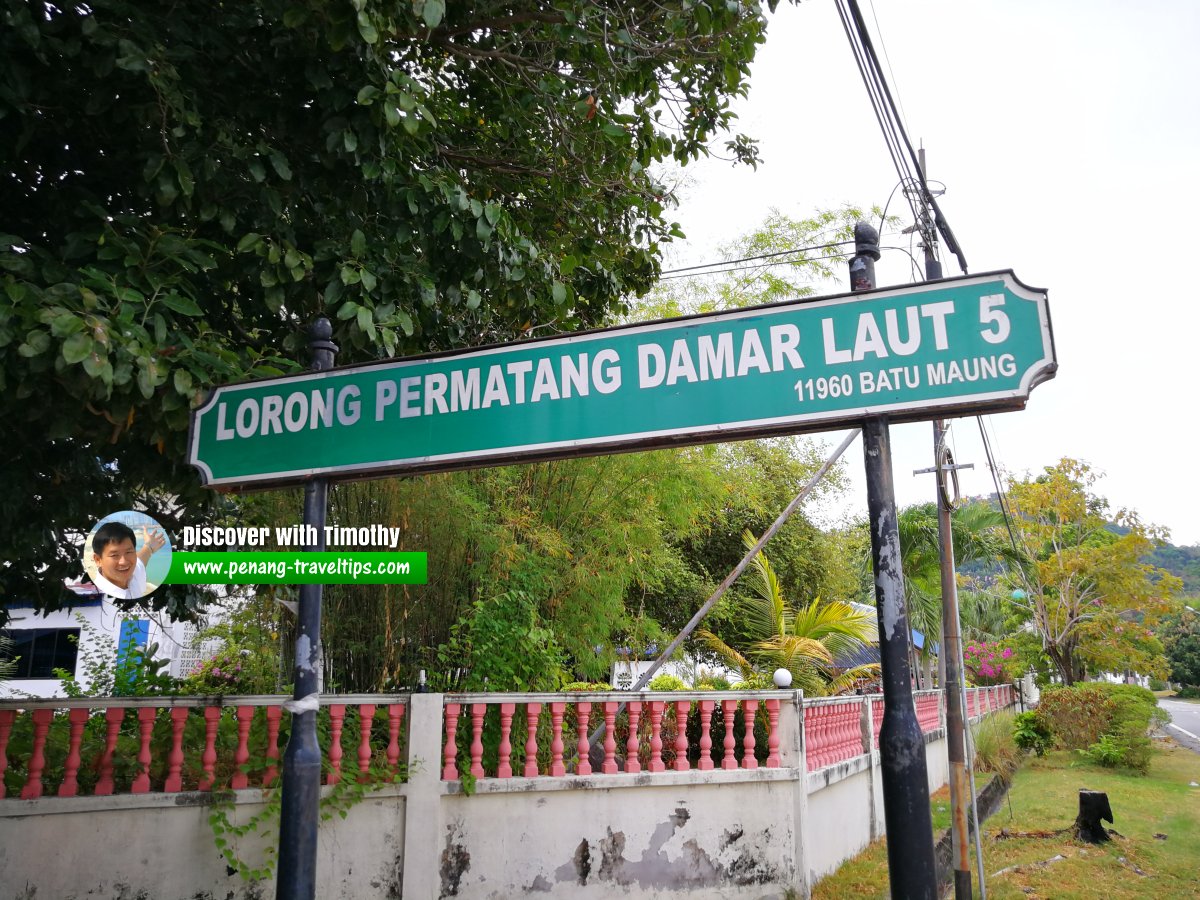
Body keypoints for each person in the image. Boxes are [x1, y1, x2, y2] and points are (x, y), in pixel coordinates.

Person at [90, 521, 165, 600]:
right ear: (98, 560)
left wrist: (149, 546)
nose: (124, 562)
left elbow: (142, 558)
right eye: (114, 555)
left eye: (128, 552)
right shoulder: (97, 595)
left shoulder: (134, 574)